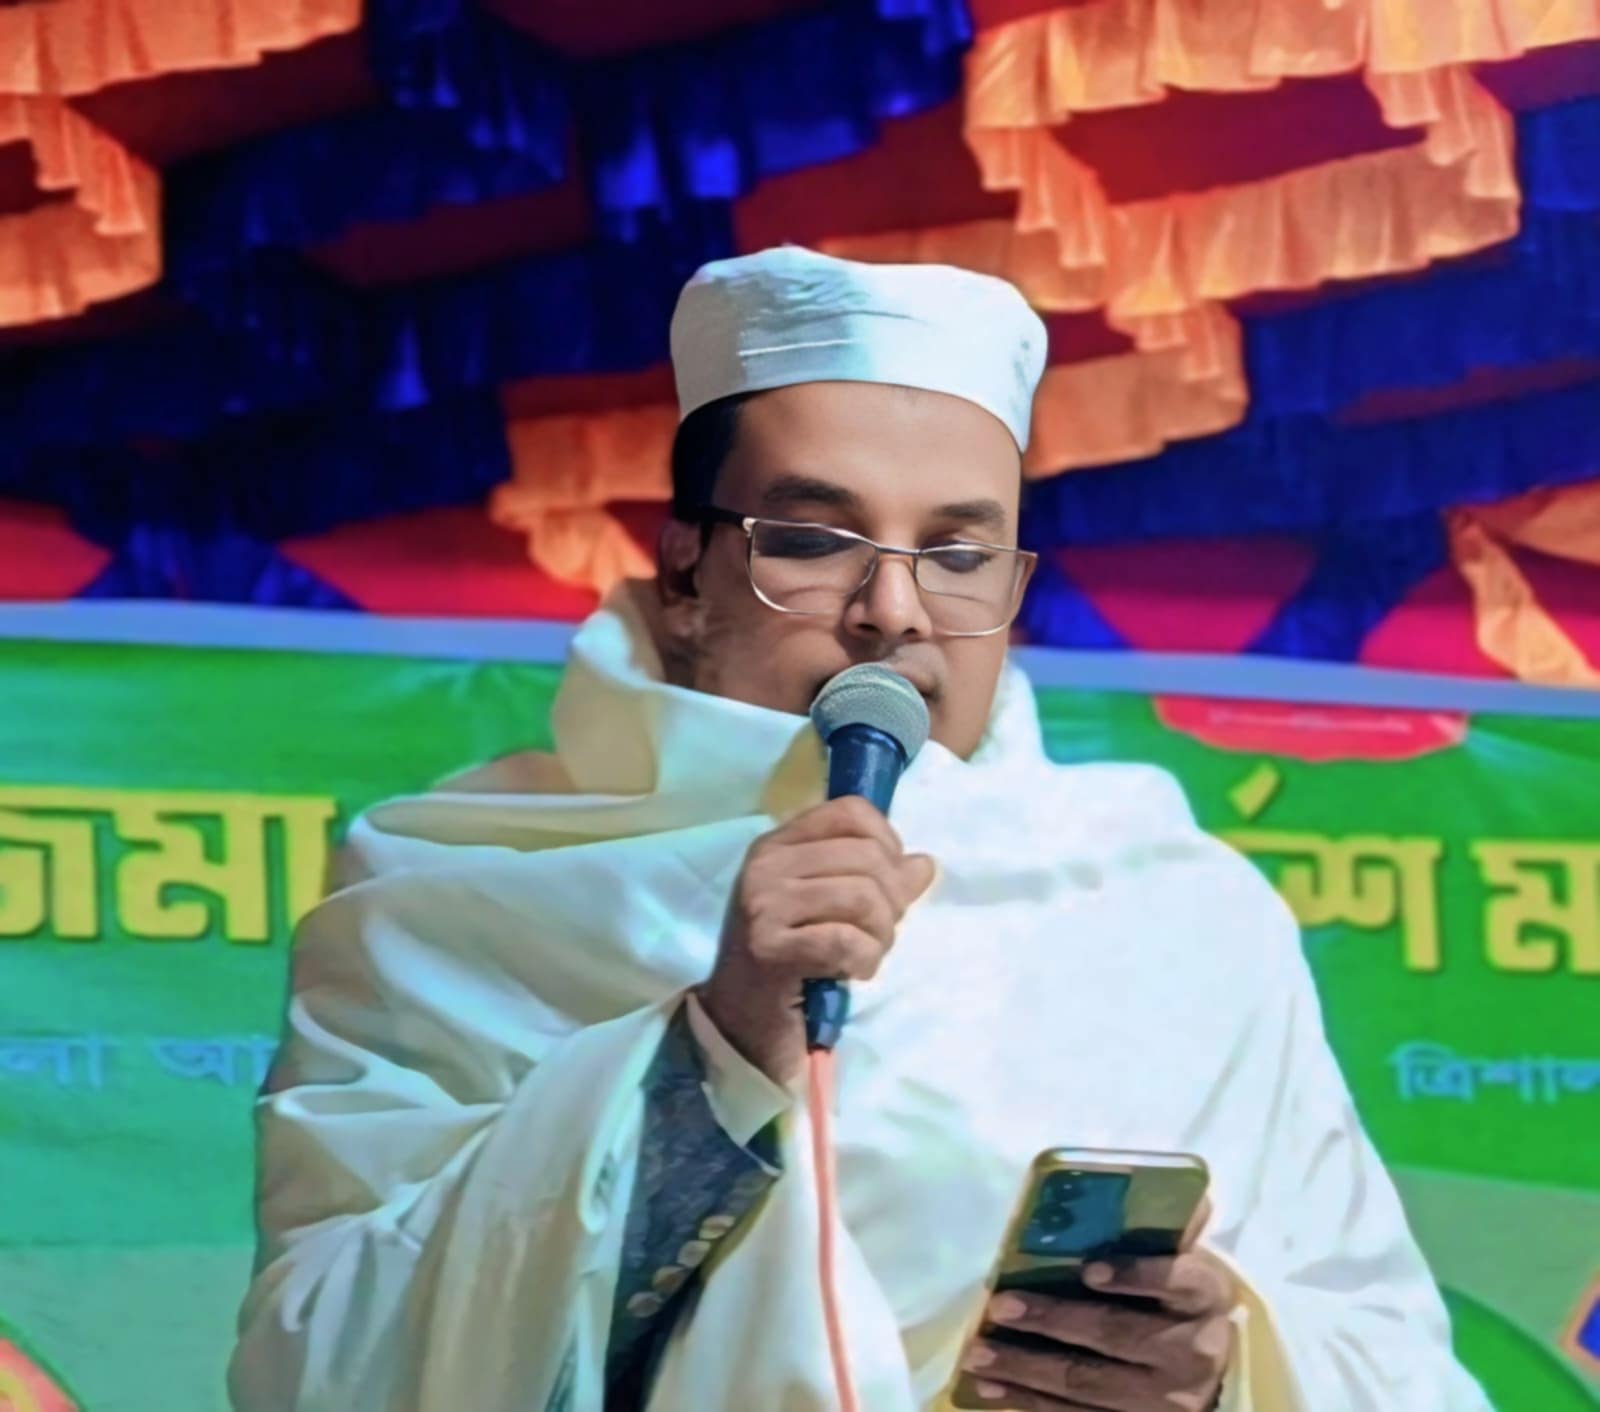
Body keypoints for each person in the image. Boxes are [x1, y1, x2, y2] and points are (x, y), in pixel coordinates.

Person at [229, 248, 1491, 1412]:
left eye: (958, 553)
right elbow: (318, 1358)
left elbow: (1387, 1353)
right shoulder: (455, 888)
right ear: (686, 569)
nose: (893, 610)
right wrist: (719, 1041)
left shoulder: (1175, 904)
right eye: (812, 541)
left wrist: (1215, 1369)